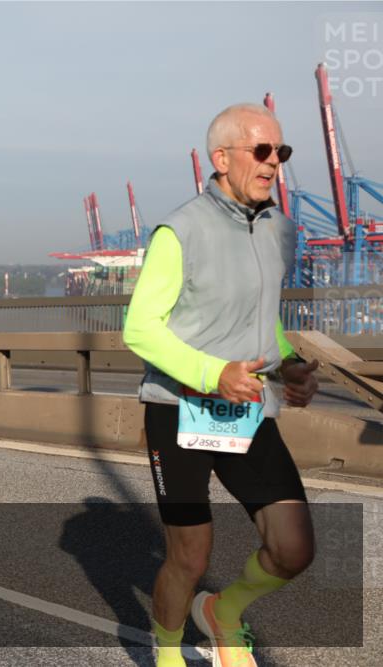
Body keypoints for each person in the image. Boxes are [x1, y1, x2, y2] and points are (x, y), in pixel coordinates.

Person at [123, 104, 320, 667]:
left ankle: (223, 613)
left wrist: (288, 367)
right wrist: (214, 374)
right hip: (181, 410)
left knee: (294, 546)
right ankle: (166, 653)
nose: (274, 163)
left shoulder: (281, 228)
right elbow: (139, 327)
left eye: (281, 152)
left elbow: (263, 322)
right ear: (222, 157)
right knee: (189, 555)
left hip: (248, 409)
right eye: (262, 151)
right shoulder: (180, 228)